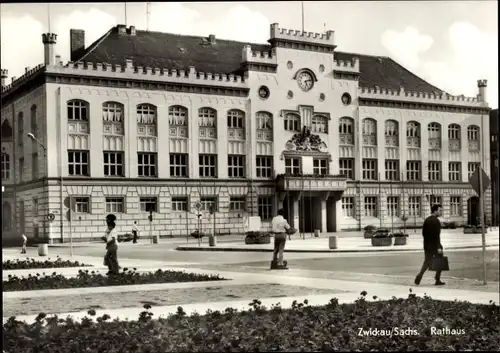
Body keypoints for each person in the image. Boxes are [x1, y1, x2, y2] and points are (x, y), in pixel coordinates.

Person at [415, 204, 445, 286]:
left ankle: (420, 275)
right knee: (440, 261)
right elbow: (437, 235)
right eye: (439, 210)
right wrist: (439, 246)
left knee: (427, 261)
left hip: (427, 245)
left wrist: (426, 244)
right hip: (435, 245)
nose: (440, 212)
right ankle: (437, 279)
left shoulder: (427, 220)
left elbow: (423, 234)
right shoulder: (436, 221)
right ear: (435, 211)